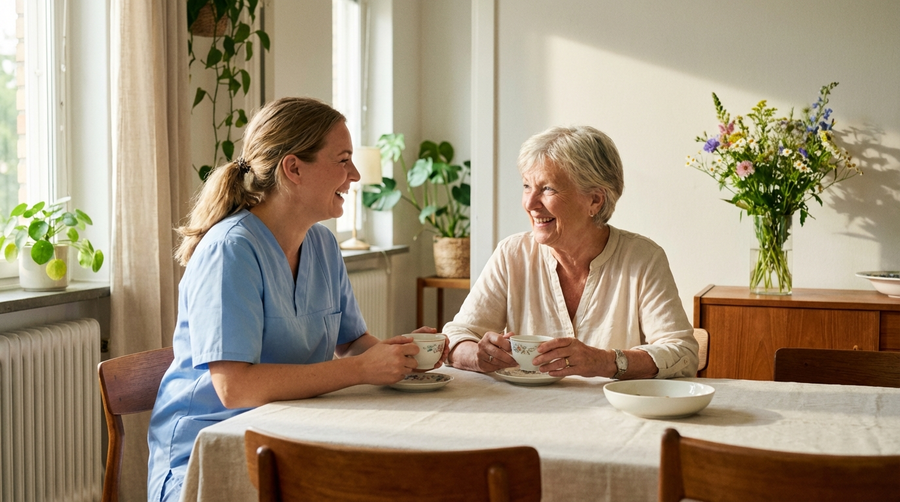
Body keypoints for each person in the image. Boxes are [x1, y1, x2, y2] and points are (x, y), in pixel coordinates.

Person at [147, 97, 445, 502]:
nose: (355, 175)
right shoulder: (230, 250)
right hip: (209, 455)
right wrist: (360, 369)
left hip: (291, 437)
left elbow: (352, 343)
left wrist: (404, 356)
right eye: (343, 160)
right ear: (294, 168)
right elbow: (234, 388)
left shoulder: (322, 244)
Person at [443, 125, 698, 380]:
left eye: (548, 189)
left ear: (595, 200)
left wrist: (605, 361)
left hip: (611, 404)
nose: (530, 203)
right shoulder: (512, 254)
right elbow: (455, 336)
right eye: (527, 186)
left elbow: (682, 353)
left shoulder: (643, 259)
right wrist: (477, 355)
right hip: (529, 404)